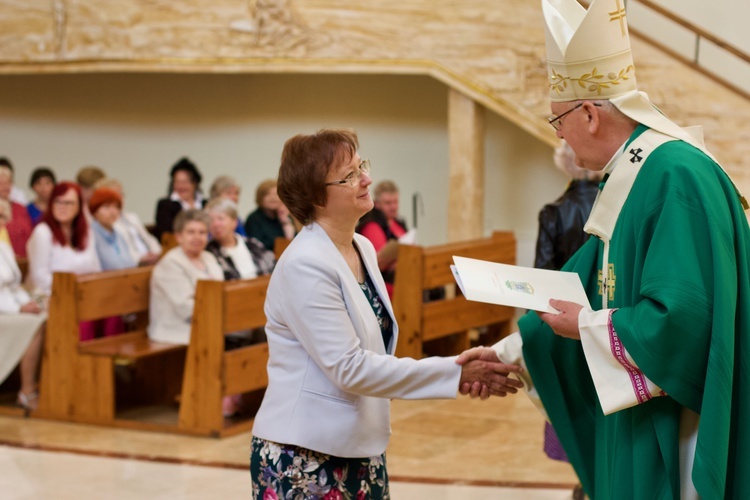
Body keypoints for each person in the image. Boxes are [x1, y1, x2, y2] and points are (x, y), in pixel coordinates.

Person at [459, 1, 750, 498]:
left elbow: (683, 322)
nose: (562, 137)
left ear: (589, 115)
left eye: (559, 123)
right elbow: (585, 282)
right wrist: (512, 354)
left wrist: (588, 327)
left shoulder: (673, 174)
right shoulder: (634, 172)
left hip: (680, 424)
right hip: (645, 411)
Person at [249, 129, 524, 498]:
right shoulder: (305, 264)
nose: (366, 179)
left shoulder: (360, 246)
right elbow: (349, 367)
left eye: (361, 165)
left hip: (359, 447)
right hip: (305, 456)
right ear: (316, 197)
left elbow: (375, 353)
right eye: (349, 176)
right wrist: (455, 372)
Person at [533, 141, 603, 500]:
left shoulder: (554, 212)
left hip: (564, 328)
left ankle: (584, 482)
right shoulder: (612, 207)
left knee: (574, 407)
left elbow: (541, 279)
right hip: (607, 325)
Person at [25, 182, 117, 341]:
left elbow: (95, 267)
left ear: (79, 206)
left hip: (83, 295)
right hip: (53, 297)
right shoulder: (43, 232)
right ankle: (79, 364)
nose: (62, 206)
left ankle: (108, 361)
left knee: (112, 311)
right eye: (57, 201)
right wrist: (72, 291)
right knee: (84, 316)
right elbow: (39, 277)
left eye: (68, 203)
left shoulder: (85, 232)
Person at [148, 209, 223, 346]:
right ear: (178, 236)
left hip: (208, 321)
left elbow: (221, 290)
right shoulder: (170, 263)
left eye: (202, 232)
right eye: (191, 232)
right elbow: (185, 307)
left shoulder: (209, 258)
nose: (197, 237)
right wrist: (220, 313)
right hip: (176, 331)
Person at [0, 198, 45, 412]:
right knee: (32, 325)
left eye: (2, 217)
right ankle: (27, 390)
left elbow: (13, 284)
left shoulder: (3, 245)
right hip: (4, 310)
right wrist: (18, 308)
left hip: (9, 304)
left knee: (45, 314)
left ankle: (47, 385)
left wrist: (27, 302)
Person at [356, 180, 408, 298]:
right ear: (377, 204)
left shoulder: (398, 222)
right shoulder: (372, 226)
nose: (393, 207)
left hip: (403, 274)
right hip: (383, 283)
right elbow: (379, 264)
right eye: (388, 203)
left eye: (395, 202)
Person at [94, 178, 161, 266]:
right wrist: (139, 259)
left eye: (121, 194)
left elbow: (149, 239)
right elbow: (121, 253)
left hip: (151, 261)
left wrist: (155, 252)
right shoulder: (107, 225)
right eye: (116, 195)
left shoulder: (132, 217)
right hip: (133, 266)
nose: (121, 198)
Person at [204, 198, 275, 281]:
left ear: (235, 222)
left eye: (221, 218)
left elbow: (273, 268)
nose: (216, 224)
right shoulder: (208, 252)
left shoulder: (253, 244)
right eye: (211, 220)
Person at [154, 157, 206, 241]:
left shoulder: (206, 203)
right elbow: (167, 234)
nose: (181, 186)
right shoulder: (165, 205)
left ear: (195, 183)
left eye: (185, 182)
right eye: (177, 182)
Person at [88, 187, 137, 271]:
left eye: (116, 207)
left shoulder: (119, 234)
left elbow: (130, 262)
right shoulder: (90, 235)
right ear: (95, 210)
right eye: (106, 207)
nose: (112, 211)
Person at [243, 179, 295, 251]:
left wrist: (285, 223)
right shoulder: (254, 219)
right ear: (260, 197)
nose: (273, 198)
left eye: (276, 194)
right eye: (268, 194)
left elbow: (296, 241)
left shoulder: (285, 217)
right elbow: (258, 246)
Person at [0, 164, 33, 258]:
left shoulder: (20, 208)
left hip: (23, 261)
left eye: (8, 182)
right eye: (1, 183)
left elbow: (29, 235)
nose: (5, 187)